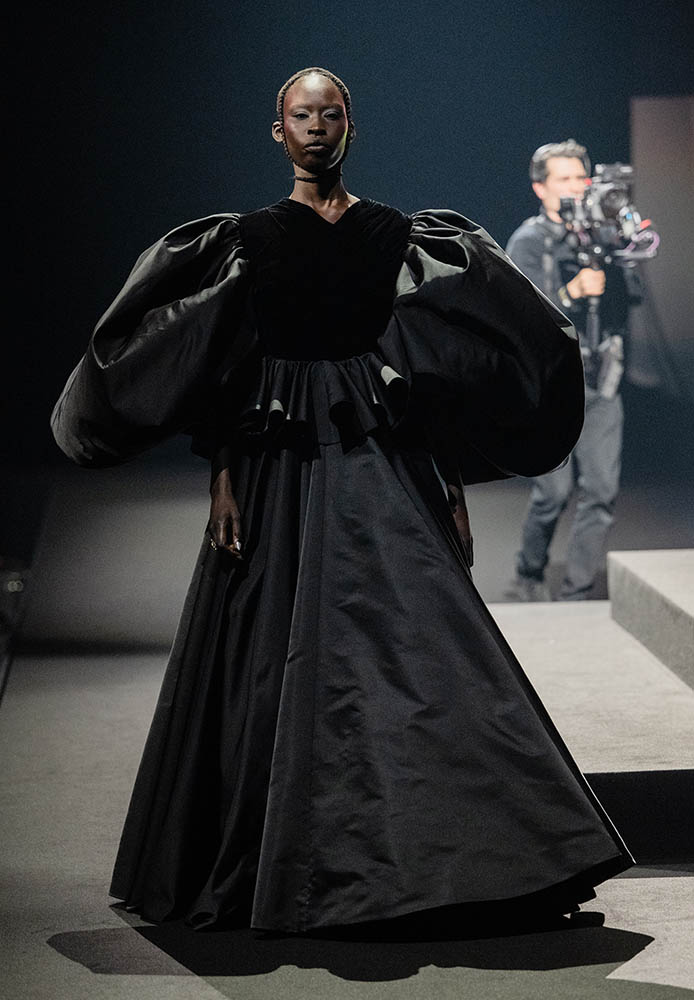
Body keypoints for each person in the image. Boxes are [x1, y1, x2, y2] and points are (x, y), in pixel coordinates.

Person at [52, 71, 632, 934]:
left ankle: (470, 864)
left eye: (331, 114)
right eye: (301, 115)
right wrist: (222, 474)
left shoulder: (397, 236)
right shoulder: (245, 240)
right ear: (277, 132)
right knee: (268, 658)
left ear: (351, 127)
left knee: (427, 648)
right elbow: (222, 362)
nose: (317, 127)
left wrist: (447, 481)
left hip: (379, 454)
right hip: (276, 462)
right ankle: (280, 867)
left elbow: (432, 363)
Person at [506, 140, 640, 601]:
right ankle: (528, 573)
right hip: (552, 385)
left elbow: (632, 297)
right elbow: (523, 315)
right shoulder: (529, 241)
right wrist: (572, 292)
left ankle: (576, 594)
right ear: (540, 188)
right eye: (563, 179)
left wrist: (621, 244)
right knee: (553, 493)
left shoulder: (602, 237)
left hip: (601, 379)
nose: (576, 187)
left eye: (581, 178)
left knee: (601, 491)